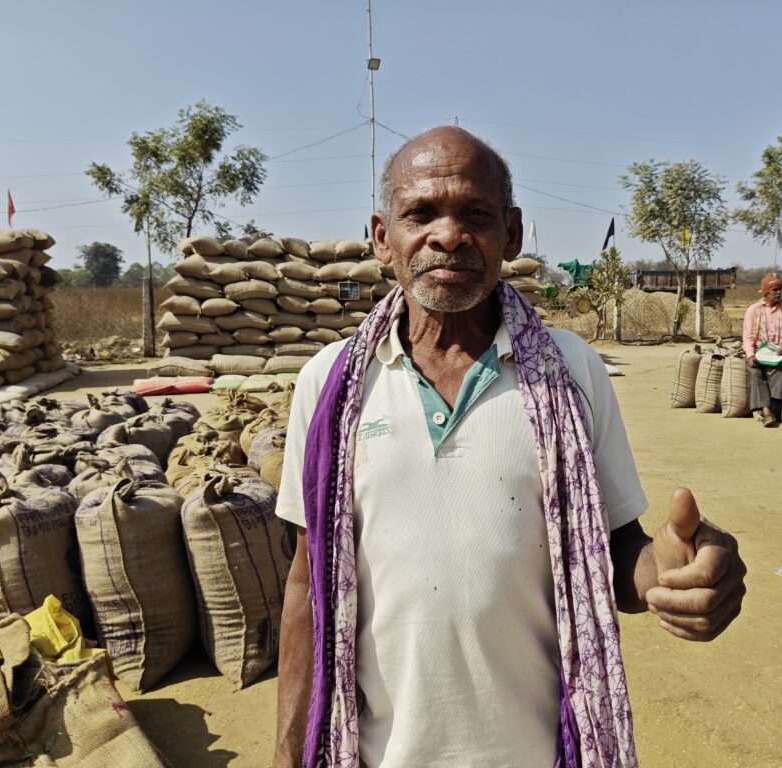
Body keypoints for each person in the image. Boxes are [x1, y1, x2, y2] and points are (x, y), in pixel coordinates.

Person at [273, 126, 746, 768]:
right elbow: (308, 584)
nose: (449, 235)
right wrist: (285, 754)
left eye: (476, 214)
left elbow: (608, 553)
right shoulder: (328, 385)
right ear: (384, 237)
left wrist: (676, 565)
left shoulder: (571, 372)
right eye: (421, 214)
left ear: (512, 234)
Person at [742, 273, 782, 427]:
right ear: (765, 292)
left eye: (780, 290)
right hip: (758, 351)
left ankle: (774, 407)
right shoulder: (753, 310)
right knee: (755, 371)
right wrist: (751, 355)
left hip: (777, 353)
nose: (778, 293)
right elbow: (747, 337)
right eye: (775, 290)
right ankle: (766, 410)